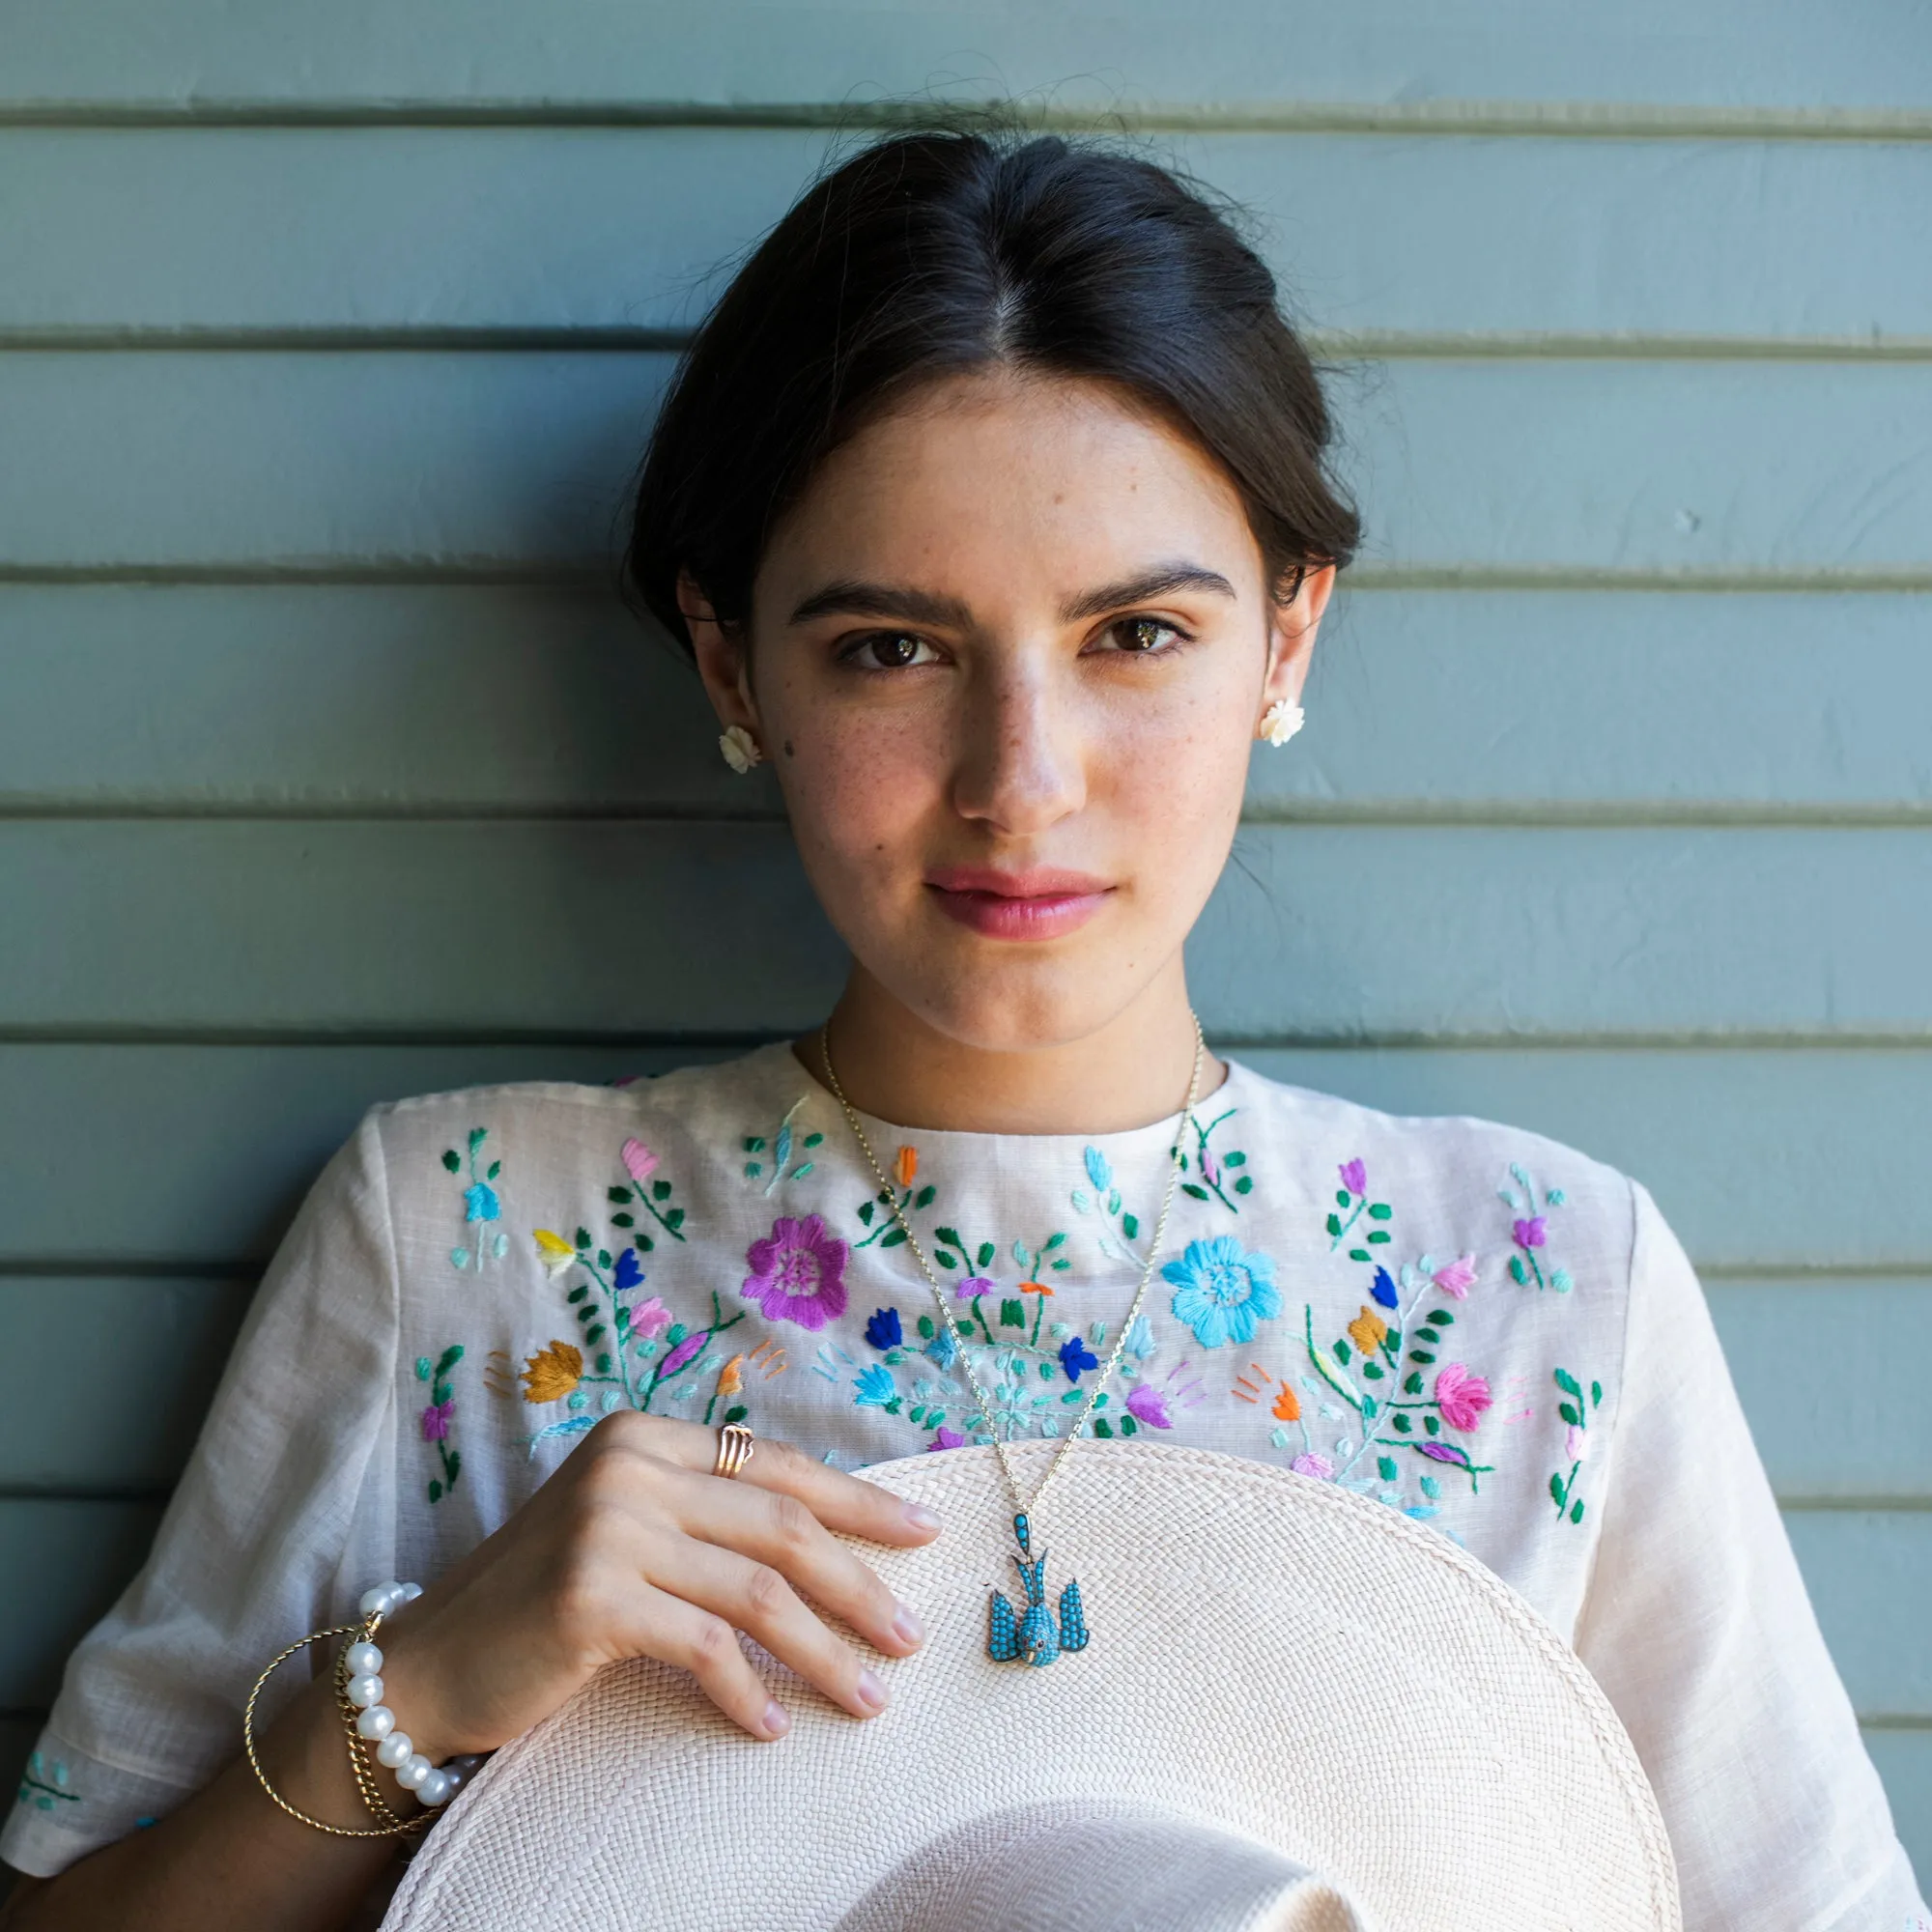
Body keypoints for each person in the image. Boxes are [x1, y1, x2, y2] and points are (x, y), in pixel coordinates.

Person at [2, 128, 1922, 1932]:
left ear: (1289, 636)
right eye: (893, 650)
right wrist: (424, 1680)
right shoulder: (462, 1239)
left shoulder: (1543, 1293)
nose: (1020, 781)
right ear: (726, 659)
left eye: (1135, 637)